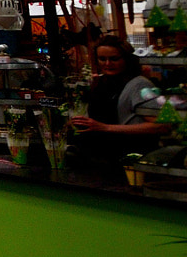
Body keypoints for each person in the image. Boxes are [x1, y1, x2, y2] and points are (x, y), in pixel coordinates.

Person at [71, 35, 169, 163]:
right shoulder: (101, 82)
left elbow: (162, 125)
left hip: (131, 159)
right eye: (102, 59)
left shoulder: (139, 84)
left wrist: (106, 127)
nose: (108, 64)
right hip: (101, 158)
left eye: (114, 59)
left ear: (127, 59)